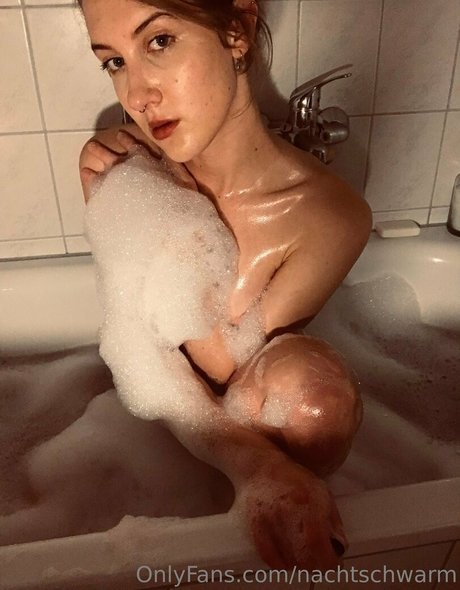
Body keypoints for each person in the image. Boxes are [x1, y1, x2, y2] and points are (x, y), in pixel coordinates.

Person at [78, 0, 372, 570]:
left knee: (315, 400)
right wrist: (140, 204)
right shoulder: (125, 165)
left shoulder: (331, 217)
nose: (137, 96)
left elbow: (221, 367)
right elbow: (143, 347)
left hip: (239, 422)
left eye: (159, 42)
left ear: (237, 31)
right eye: (114, 61)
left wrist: (173, 220)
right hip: (152, 429)